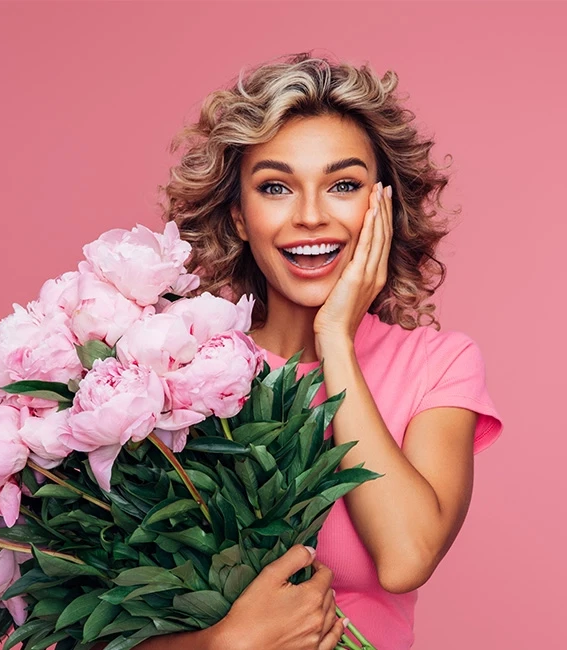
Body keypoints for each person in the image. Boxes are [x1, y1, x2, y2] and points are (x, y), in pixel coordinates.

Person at [142, 51, 504, 650]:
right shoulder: (175, 372)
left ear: (382, 205)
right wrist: (224, 644)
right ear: (238, 216)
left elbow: (406, 558)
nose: (310, 216)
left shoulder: (438, 366)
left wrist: (334, 337)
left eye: (342, 185)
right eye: (276, 187)